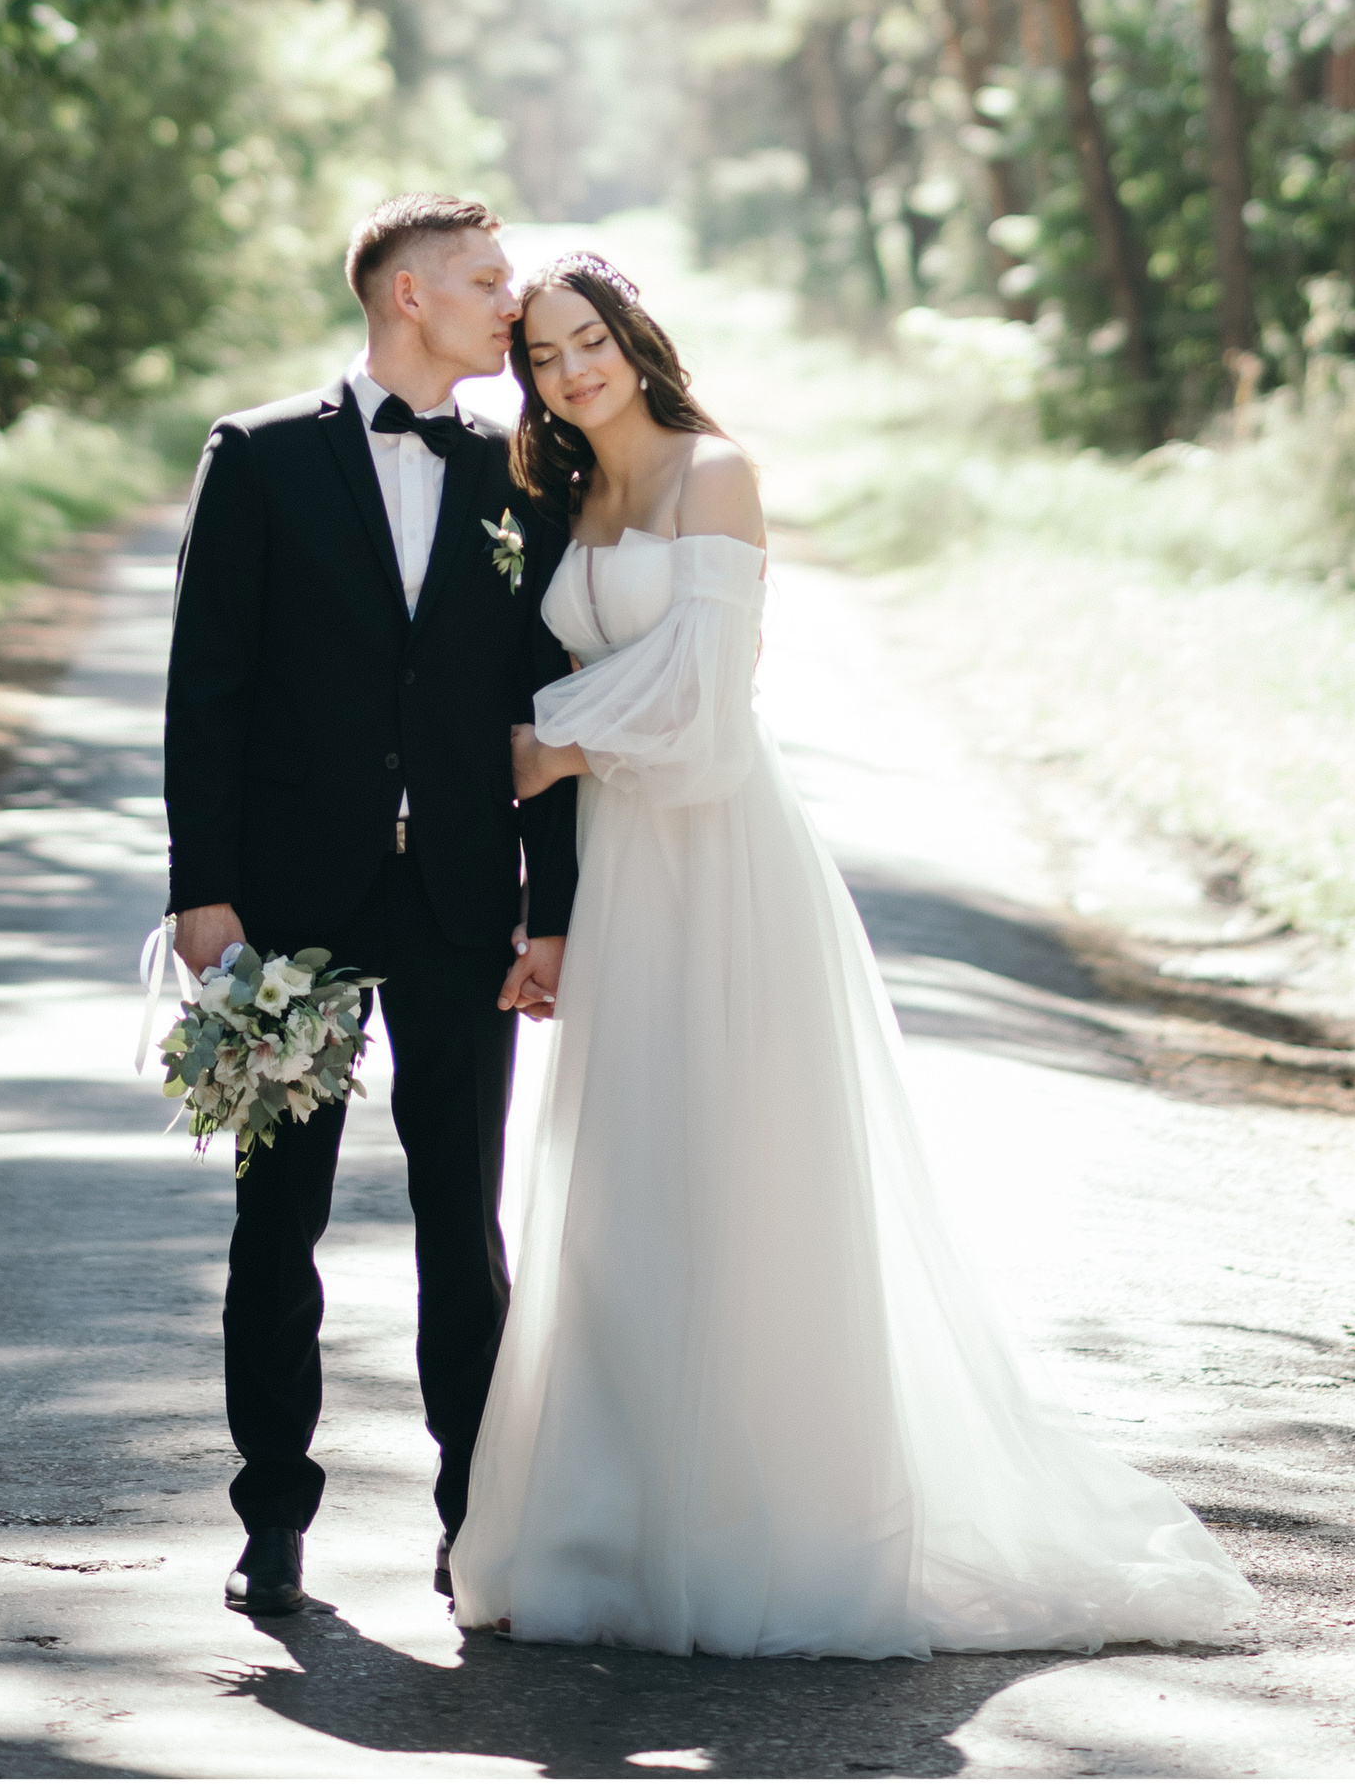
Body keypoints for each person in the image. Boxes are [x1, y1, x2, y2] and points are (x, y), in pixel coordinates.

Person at [446, 249, 1258, 1661]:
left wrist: (541, 750)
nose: (571, 370)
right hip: (627, 872)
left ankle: (773, 1536)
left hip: (726, 864)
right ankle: (612, 1532)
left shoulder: (717, 473)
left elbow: (705, 710)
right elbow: (571, 677)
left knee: (742, 1179)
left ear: (636, 337)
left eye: (590, 341)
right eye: (546, 356)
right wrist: (551, 877)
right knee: (627, 1181)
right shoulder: (564, 494)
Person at [160, 193, 579, 1623]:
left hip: (464, 900)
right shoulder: (261, 455)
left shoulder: (524, 473)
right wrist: (201, 890)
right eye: (482, 280)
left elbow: (550, 700)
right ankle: (271, 1512)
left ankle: (475, 1522)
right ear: (406, 294)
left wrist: (557, 909)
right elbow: (204, 685)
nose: (506, 302)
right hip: (292, 904)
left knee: (464, 1225)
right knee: (280, 1218)